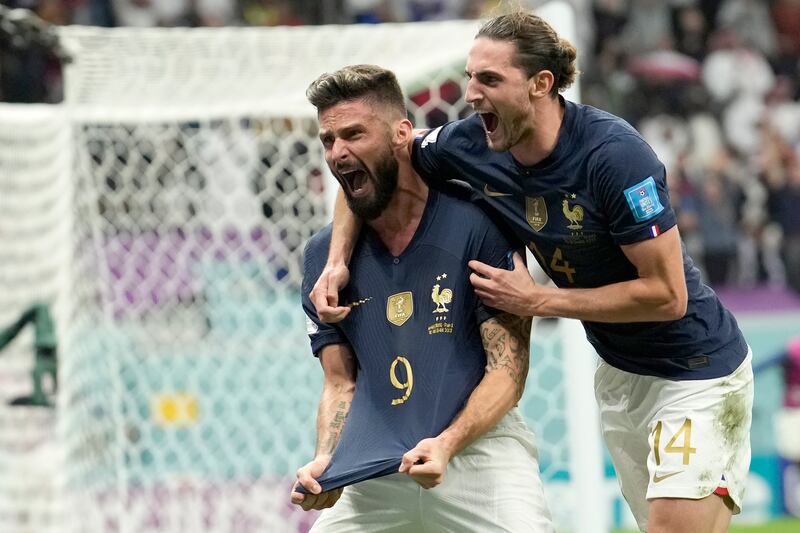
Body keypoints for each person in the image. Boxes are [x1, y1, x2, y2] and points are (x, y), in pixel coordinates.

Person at [311, 12, 754, 533]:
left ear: (541, 84)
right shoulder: (470, 143)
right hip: (620, 375)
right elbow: (373, 165)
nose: (472, 94)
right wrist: (337, 262)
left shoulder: (614, 157)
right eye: (472, 76)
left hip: (696, 369)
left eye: (490, 80)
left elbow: (667, 295)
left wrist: (539, 300)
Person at [291, 64, 553, 532]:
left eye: (354, 134)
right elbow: (339, 384)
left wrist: (447, 444)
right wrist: (326, 461)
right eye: (329, 140)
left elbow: (508, 371)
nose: (338, 152)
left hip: (480, 453)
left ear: (402, 134)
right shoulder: (322, 261)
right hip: (373, 470)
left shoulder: (478, 223)